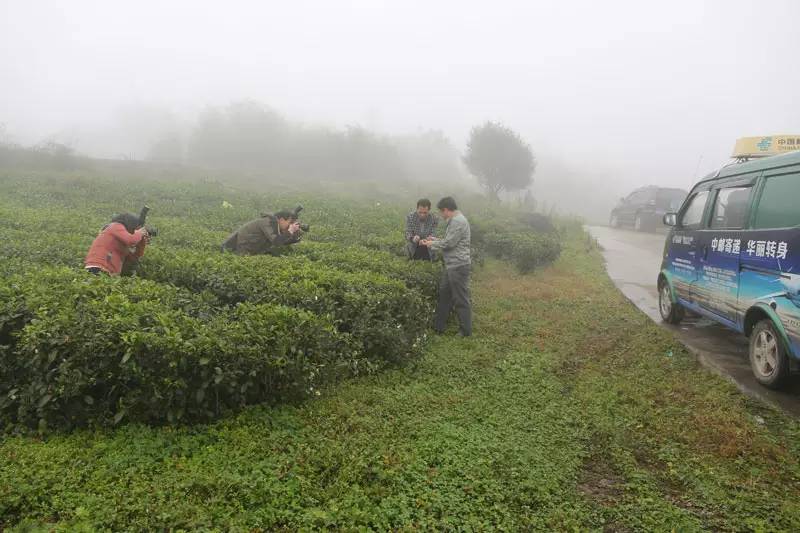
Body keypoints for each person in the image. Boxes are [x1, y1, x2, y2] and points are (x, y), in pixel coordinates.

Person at [420, 197, 472, 336]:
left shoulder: (458, 221)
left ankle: (465, 331)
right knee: (444, 293)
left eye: (442, 212)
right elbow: (449, 240)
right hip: (451, 265)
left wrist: (431, 244)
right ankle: (438, 326)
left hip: (458, 265)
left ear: (446, 210)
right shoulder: (455, 221)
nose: (442, 215)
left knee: (461, 298)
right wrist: (435, 239)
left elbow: (449, 244)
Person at [84, 213, 150, 276]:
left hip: (107, 271)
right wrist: (140, 232)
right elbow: (131, 240)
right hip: (98, 266)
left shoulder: (121, 241)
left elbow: (133, 257)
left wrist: (142, 242)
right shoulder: (115, 226)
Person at [221, 210, 302, 255]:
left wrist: (294, 238)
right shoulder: (267, 222)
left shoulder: (276, 226)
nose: (290, 225)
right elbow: (276, 242)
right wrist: (290, 231)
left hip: (251, 252)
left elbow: (280, 242)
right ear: (281, 220)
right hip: (241, 251)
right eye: (290, 222)